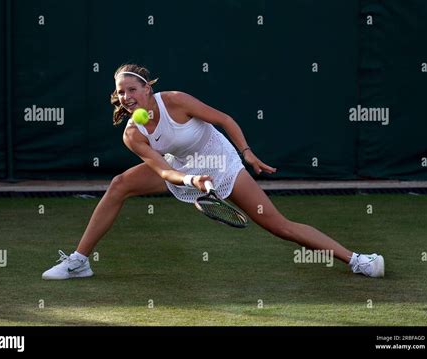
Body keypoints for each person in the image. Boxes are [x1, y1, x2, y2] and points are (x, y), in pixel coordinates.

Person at [42, 64, 384, 280]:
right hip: (182, 167)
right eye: (121, 92)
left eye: (133, 89)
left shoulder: (174, 100)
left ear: (147, 88)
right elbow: (163, 170)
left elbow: (223, 119)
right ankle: (79, 261)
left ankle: (357, 260)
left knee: (279, 226)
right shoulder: (133, 133)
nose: (127, 96)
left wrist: (246, 152)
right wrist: (191, 180)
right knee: (119, 185)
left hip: (221, 160)